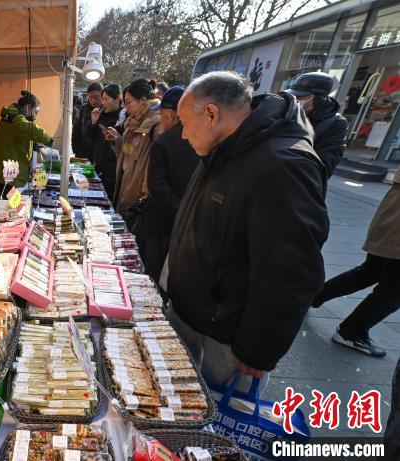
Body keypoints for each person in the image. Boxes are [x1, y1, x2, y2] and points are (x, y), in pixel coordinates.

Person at [163, 71, 329, 389]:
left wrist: (257, 349)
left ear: (211, 114)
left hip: (225, 338)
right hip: (193, 314)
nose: (182, 135)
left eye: (185, 123)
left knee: (220, 425)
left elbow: (290, 273)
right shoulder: (222, 147)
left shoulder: (283, 165)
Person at [312, 173, 400, 357]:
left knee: (370, 272)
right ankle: (351, 332)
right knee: (393, 290)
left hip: (392, 215)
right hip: (395, 226)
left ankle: (312, 296)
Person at [141, 86, 200, 281]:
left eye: (163, 115)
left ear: (173, 114)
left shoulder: (164, 142)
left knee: (154, 274)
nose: (161, 119)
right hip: (187, 222)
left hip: (160, 222)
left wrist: (178, 208)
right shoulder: (201, 139)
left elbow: (156, 186)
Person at [103, 79, 162, 218]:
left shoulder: (157, 124)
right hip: (125, 185)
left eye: (128, 102)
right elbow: (126, 153)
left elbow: (155, 165)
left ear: (142, 100)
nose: (125, 107)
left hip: (139, 195)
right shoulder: (131, 123)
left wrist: (145, 195)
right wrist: (117, 140)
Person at [0, 90, 53, 191]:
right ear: (27, 108)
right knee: (7, 204)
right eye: (35, 112)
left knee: (9, 203)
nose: (35, 117)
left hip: (5, 172)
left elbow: (19, 137)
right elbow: (31, 129)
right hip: (5, 175)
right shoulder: (15, 119)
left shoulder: (13, 118)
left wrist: (35, 146)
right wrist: (49, 140)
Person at [288, 71, 348, 177]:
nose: (296, 100)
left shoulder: (336, 123)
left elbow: (327, 162)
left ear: (319, 99)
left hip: (299, 178)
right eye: (294, 96)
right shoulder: (288, 111)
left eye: (302, 97)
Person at [88, 84, 122, 201]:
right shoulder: (100, 115)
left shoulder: (123, 118)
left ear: (117, 99)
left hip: (113, 174)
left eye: (106, 99)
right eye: (102, 99)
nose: (103, 103)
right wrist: (93, 122)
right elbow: (90, 140)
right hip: (99, 170)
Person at [72, 82, 104, 160]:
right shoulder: (82, 109)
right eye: (90, 97)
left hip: (100, 155)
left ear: (102, 96)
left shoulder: (106, 110)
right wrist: (76, 152)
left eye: (96, 97)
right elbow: (75, 132)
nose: (93, 100)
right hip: (83, 154)